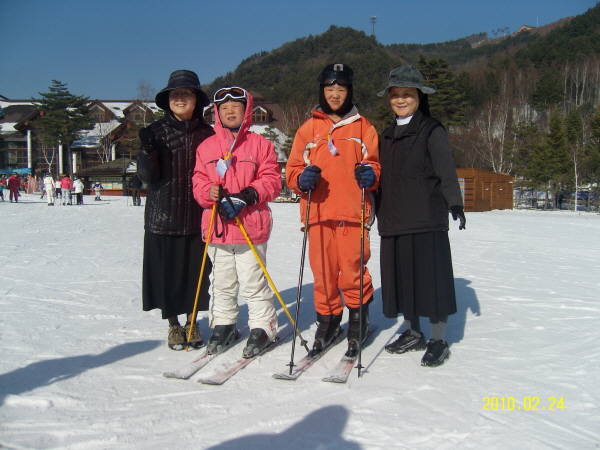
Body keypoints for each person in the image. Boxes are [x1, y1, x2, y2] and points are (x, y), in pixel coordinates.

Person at [285, 63, 380, 356]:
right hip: (318, 213)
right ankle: (327, 322)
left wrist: (371, 175)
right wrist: (302, 180)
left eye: (341, 88)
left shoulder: (364, 127)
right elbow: (292, 171)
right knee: (323, 273)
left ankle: (358, 322)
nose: (335, 94)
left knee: (352, 271)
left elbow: (375, 163)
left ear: (349, 90)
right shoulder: (309, 128)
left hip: (353, 213)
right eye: (330, 89)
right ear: (322, 91)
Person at [375, 65, 466, 368]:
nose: (401, 100)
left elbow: (446, 169)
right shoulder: (385, 136)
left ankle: (438, 340)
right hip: (394, 219)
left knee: (432, 282)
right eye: (396, 95)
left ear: (419, 97)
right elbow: (379, 179)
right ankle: (413, 332)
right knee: (403, 281)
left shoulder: (431, 129)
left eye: (407, 95)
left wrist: (455, 203)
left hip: (426, 218)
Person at [192, 86, 281, 358]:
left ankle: (262, 326)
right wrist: (209, 192)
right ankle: (224, 323)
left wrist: (248, 194)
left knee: (253, 280)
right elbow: (198, 181)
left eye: (236, 107)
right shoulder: (207, 145)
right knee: (221, 281)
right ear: (217, 113)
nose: (230, 111)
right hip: (217, 229)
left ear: (247, 112)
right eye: (224, 108)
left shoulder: (261, 144)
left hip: (249, 226)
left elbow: (272, 180)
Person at [137, 70, 214, 351]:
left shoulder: (208, 134)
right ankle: (173, 325)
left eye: (186, 93)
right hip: (162, 218)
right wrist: (147, 150)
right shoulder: (155, 132)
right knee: (167, 277)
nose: (180, 98)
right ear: (168, 100)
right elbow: (147, 177)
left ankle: (193, 322)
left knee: (196, 276)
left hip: (197, 217)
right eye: (175, 93)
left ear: (197, 99)